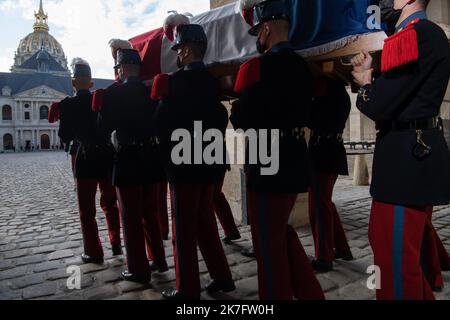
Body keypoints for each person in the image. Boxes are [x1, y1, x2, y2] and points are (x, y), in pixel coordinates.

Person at [351, 0, 450, 300]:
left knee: (394, 260)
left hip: (405, 163)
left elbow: (381, 103)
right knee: (399, 253)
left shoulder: (414, 36)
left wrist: (366, 82)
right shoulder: (422, 34)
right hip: (409, 157)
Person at [231, 0, 324, 300]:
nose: (257, 37)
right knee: (280, 232)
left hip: (267, 162)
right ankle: (310, 293)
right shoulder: (305, 67)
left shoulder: (257, 67)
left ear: (267, 28)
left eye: (257, 31)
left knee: (266, 245)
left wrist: (237, 106)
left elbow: (242, 119)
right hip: (295, 158)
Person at [152, 20, 235, 300]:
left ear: (186, 51)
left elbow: (161, 126)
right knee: (206, 224)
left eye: (178, 49)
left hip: (183, 168)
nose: (176, 54)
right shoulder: (214, 83)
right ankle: (222, 277)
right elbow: (221, 119)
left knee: (184, 232)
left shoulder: (172, 83)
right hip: (209, 166)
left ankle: (187, 290)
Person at [94, 49, 168, 283]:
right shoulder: (150, 90)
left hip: (127, 161)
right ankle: (158, 259)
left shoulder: (112, 93)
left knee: (131, 218)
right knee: (151, 214)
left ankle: (138, 269)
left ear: (121, 69)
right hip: (151, 159)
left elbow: (102, 130)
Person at [49, 58, 122, 264]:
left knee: (87, 210)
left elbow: (65, 136)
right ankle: (115, 242)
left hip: (85, 159)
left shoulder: (67, 105)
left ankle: (94, 251)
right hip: (107, 157)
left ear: (73, 83)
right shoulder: (101, 99)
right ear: (91, 83)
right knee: (110, 204)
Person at [308, 78, 353, 273]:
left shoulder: (333, 95)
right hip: (323, 151)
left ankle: (324, 256)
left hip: (325, 152)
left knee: (319, 206)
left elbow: (312, 118)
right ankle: (342, 248)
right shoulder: (333, 93)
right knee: (324, 203)